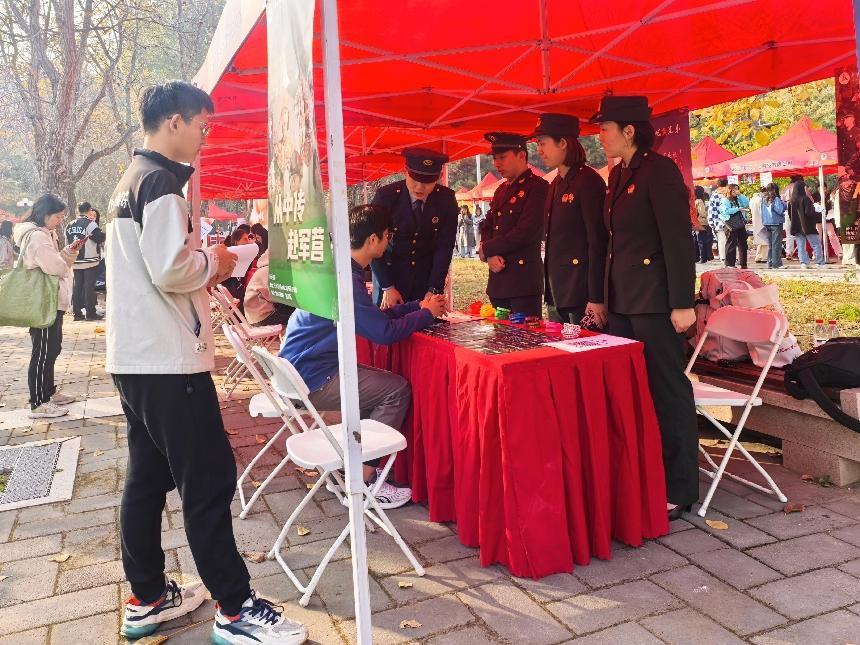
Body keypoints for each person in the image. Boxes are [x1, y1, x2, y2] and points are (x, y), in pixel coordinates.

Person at [106, 80, 307, 645]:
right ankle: (236, 608)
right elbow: (173, 269)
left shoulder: (131, 179)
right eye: (202, 125)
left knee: (147, 479)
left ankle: (147, 596)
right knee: (209, 480)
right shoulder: (159, 182)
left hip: (136, 357)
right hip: (167, 360)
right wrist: (216, 261)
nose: (205, 136)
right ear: (175, 121)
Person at [280, 204, 447, 506]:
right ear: (373, 240)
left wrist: (417, 307)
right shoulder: (344, 278)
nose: (389, 242)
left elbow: (372, 318)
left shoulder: (336, 267)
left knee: (375, 388)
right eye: (387, 236)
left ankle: (354, 464)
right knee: (396, 390)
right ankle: (363, 479)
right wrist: (425, 315)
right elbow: (383, 333)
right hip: (311, 378)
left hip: (299, 370)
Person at [591, 95, 698, 521]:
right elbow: (613, 243)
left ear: (629, 130)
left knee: (668, 392)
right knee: (631, 392)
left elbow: (677, 240)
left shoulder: (660, 171)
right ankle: (643, 473)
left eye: (605, 129)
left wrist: (682, 303)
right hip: (623, 301)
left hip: (655, 303)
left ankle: (680, 486)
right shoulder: (619, 173)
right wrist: (602, 296)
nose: (601, 137)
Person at [13, 194, 84, 418]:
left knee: (52, 348)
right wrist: (65, 259)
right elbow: (57, 268)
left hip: (51, 300)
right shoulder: (37, 237)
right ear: (45, 214)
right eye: (57, 217)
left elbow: (57, 263)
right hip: (44, 302)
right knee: (43, 351)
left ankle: (48, 393)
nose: (60, 221)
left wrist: (69, 252)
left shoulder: (45, 234)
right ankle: (38, 402)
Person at [533, 115, 607, 324]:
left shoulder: (588, 181)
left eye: (543, 143)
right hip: (557, 291)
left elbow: (597, 241)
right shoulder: (555, 183)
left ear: (563, 143)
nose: (539, 151)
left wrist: (596, 296)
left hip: (580, 291)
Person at [370, 147, 457, 308]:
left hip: (425, 283)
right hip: (390, 279)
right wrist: (387, 286)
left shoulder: (446, 200)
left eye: (427, 182)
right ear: (405, 172)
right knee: (388, 321)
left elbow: (444, 247)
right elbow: (372, 245)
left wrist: (434, 288)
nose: (419, 187)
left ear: (439, 177)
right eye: (415, 179)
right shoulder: (386, 197)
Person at [478, 131, 549, 317]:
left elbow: (526, 231)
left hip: (522, 282)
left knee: (526, 334)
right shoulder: (501, 189)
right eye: (495, 158)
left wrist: (488, 248)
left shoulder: (537, 187)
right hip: (498, 281)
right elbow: (488, 225)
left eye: (502, 157)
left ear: (521, 155)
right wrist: (488, 253)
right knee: (500, 334)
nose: (497, 163)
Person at [65, 201, 106, 320]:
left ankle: (77, 314)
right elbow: (99, 238)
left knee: (77, 286)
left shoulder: (69, 225)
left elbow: (67, 240)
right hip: (89, 260)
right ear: (89, 210)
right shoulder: (90, 224)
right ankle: (90, 313)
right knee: (89, 286)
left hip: (75, 259)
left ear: (78, 210)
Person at [244, 250, 294, 327]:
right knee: (301, 313)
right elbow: (278, 295)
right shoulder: (268, 271)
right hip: (263, 317)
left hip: (256, 315)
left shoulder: (265, 269)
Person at [788, 181, 824, 269]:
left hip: (796, 226)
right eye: (806, 187)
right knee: (816, 244)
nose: (807, 189)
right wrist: (816, 208)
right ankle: (819, 262)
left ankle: (804, 262)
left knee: (800, 245)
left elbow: (790, 214)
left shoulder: (791, 201)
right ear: (803, 188)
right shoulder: (805, 199)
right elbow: (809, 213)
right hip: (808, 226)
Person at [719, 184, 750, 269]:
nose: (736, 191)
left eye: (737, 189)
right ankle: (729, 264)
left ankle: (743, 263)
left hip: (740, 223)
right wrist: (738, 209)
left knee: (743, 243)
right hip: (730, 224)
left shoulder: (738, 199)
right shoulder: (725, 200)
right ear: (730, 190)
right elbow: (726, 211)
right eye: (734, 189)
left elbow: (746, 203)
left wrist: (740, 195)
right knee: (731, 243)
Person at [761, 183, 787, 269]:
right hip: (776, 223)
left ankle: (770, 263)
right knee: (777, 244)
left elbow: (761, 212)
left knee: (771, 245)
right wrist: (784, 205)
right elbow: (780, 210)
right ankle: (777, 264)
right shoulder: (776, 199)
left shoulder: (763, 199)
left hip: (767, 223)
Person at [707, 178, 728, 260]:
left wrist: (711, 223)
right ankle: (732, 258)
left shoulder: (715, 195)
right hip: (731, 221)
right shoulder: (730, 193)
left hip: (718, 222)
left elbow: (711, 210)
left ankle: (723, 258)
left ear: (718, 184)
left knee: (721, 241)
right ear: (727, 184)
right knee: (731, 241)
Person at [693, 185, 714, 263]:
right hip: (702, 223)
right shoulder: (699, 201)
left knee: (698, 241)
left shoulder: (695, 200)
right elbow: (703, 213)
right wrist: (708, 210)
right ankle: (704, 258)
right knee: (703, 241)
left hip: (697, 223)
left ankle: (698, 257)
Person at [749, 187, 769, 263]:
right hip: (763, 221)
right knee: (765, 239)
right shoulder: (762, 199)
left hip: (755, 221)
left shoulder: (753, 199)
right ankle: (764, 257)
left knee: (760, 240)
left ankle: (758, 256)